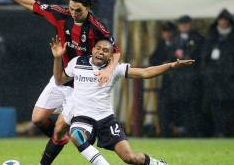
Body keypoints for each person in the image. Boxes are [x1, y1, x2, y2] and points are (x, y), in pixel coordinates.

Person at [6, 0, 121, 164]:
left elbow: (116, 51)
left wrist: (109, 70)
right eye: (71, 8)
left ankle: (58, 144)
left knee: (59, 127)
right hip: (61, 77)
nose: (73, 13)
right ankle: (61, 139)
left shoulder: (97, 27)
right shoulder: (60, 14)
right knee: (38, 119)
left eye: (78, 10)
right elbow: (32, 4)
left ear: (88, 7)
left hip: (81, 86)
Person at [51, 36, 194, 165]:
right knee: (76, 135)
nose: (101, 52)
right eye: (98, 48)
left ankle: (159, 164)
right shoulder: (77, 62)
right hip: (83, 118)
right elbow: (59, 80)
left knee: (130, 158)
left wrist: (171, 65)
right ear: (93, 49)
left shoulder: (115, 69)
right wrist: (58, 58)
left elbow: (146, 72)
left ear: (110, 56)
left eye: (106, 50)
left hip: (106, 120)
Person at [167, 15, 204, 137]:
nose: (184, 26)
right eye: (181, 24)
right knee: (179, 105)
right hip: (178, 80)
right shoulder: (174, 40)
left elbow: (201, 58)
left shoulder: (198, 38)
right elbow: (169, 58)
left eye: (186, 24)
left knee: (193, 105)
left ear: (190, 25)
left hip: (192, 79)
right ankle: (182, 130)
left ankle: (193, 131)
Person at [201, 9, 234, 137]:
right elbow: (204, 56)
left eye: (226, 20)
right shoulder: (212, 36)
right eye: (221, 20)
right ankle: (219, 131)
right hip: (214, 79)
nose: (223, 22)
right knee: (215, 105)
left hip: (230, 78)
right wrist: (206, 72)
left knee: (229, 105)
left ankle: (228, 131)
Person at [149, 22, 177, 137]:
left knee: (176, 106)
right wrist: (162, 64)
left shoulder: (177, 43)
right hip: (165, 80)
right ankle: (165, 131)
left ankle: (177, 130)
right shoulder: (161, 45)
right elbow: (153, 60)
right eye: (164, 32)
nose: (166, 34)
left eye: (168, 32)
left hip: (177, 80)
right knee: (164, 106)